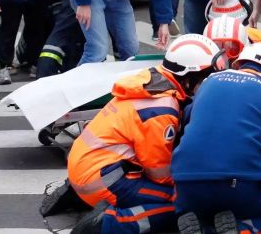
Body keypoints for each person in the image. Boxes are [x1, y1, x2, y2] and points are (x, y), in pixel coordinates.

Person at [68, 34, 227, 234]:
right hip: (101, 180)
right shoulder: (160, 109)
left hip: (90, 165)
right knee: (181, 202)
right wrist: (194, 186)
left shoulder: (154, 80)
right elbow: (159, 173)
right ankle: (107, 225)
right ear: (189, 76)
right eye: (206, 76)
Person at [172, 41, 261, 234]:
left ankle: (204, 224)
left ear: (238, 63)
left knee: (203, 205)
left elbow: (188, 122)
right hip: (238, 185)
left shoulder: (209, 81)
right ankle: (245, 227)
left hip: (185, 180)